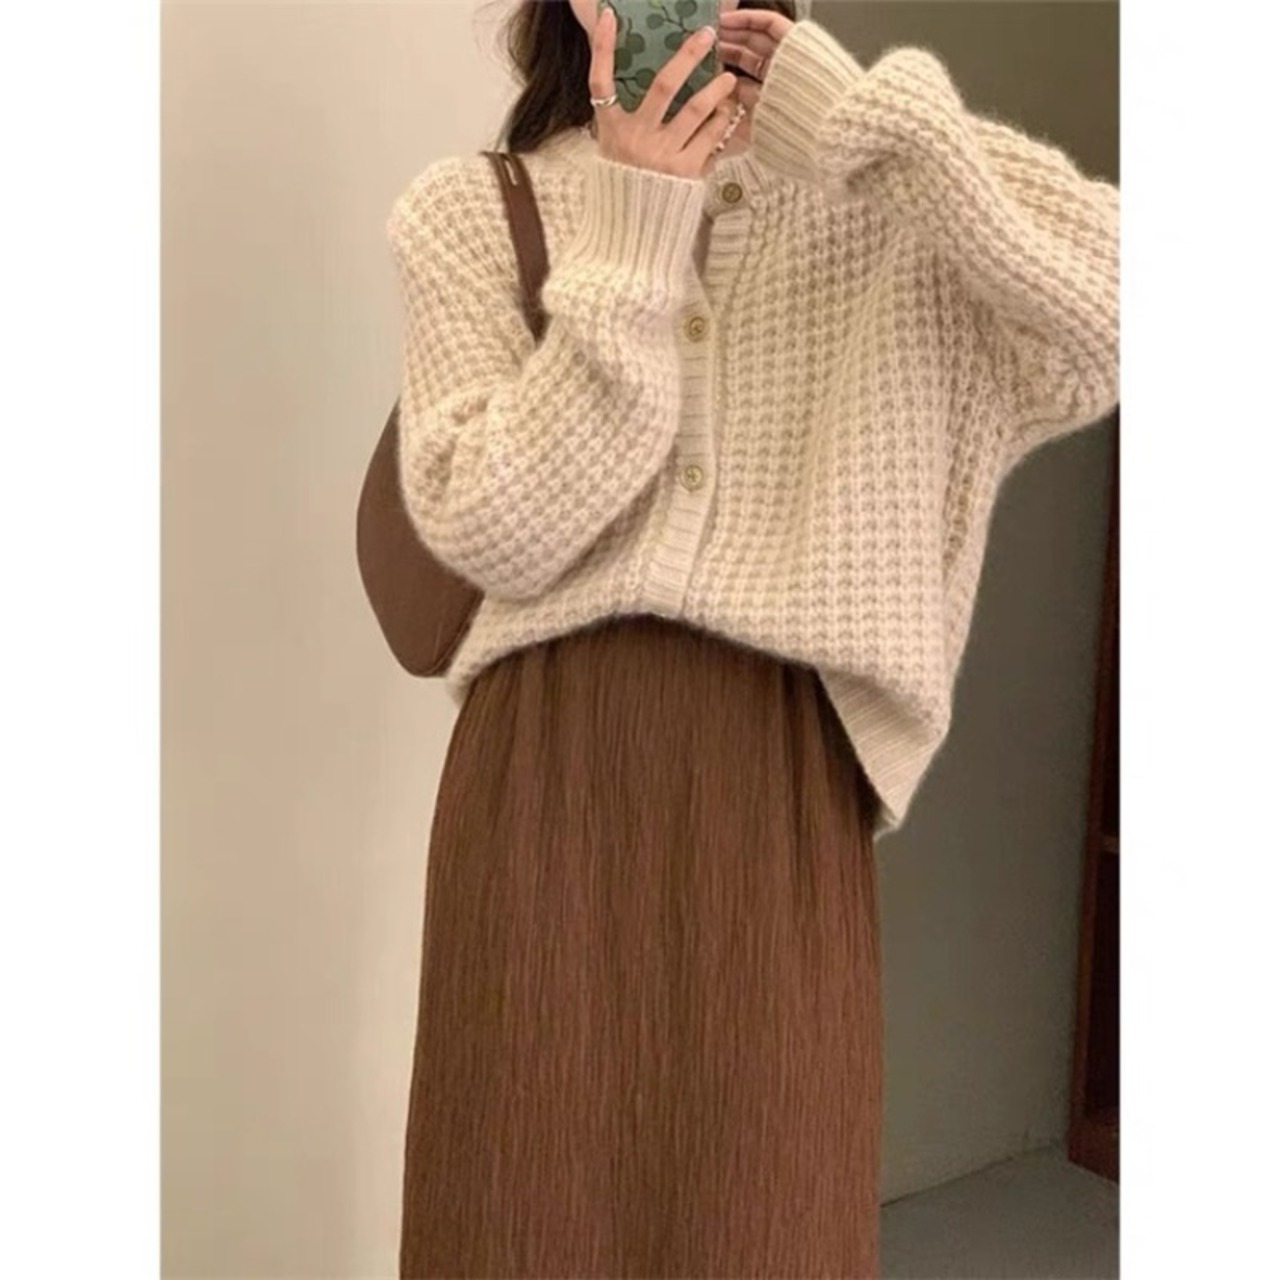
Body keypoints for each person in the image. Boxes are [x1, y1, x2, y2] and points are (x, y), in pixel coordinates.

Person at [384, 1, 1118, 1276]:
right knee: (519, 1204)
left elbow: (1115, 303)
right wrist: (638, 226)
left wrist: (854, 118)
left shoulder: (875, 195)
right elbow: (490, 529)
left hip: (772, 782)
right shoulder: (470, 209)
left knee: (765, 1212)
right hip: (543, 777)